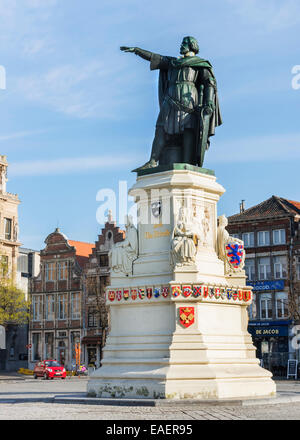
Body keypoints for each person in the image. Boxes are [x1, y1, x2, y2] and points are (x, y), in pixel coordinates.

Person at [120, 36, 222, 170]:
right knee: (161, 128)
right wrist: (137, 50)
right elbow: (154, 57)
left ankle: (187, 162)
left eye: (185, 43)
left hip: (189, 100)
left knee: (188, 130)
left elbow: (209, 83)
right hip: (170, 100)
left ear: (192, 45)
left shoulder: (200, 64)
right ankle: (152, 161)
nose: (181, 45)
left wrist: (209, 101)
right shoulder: (173, 62)